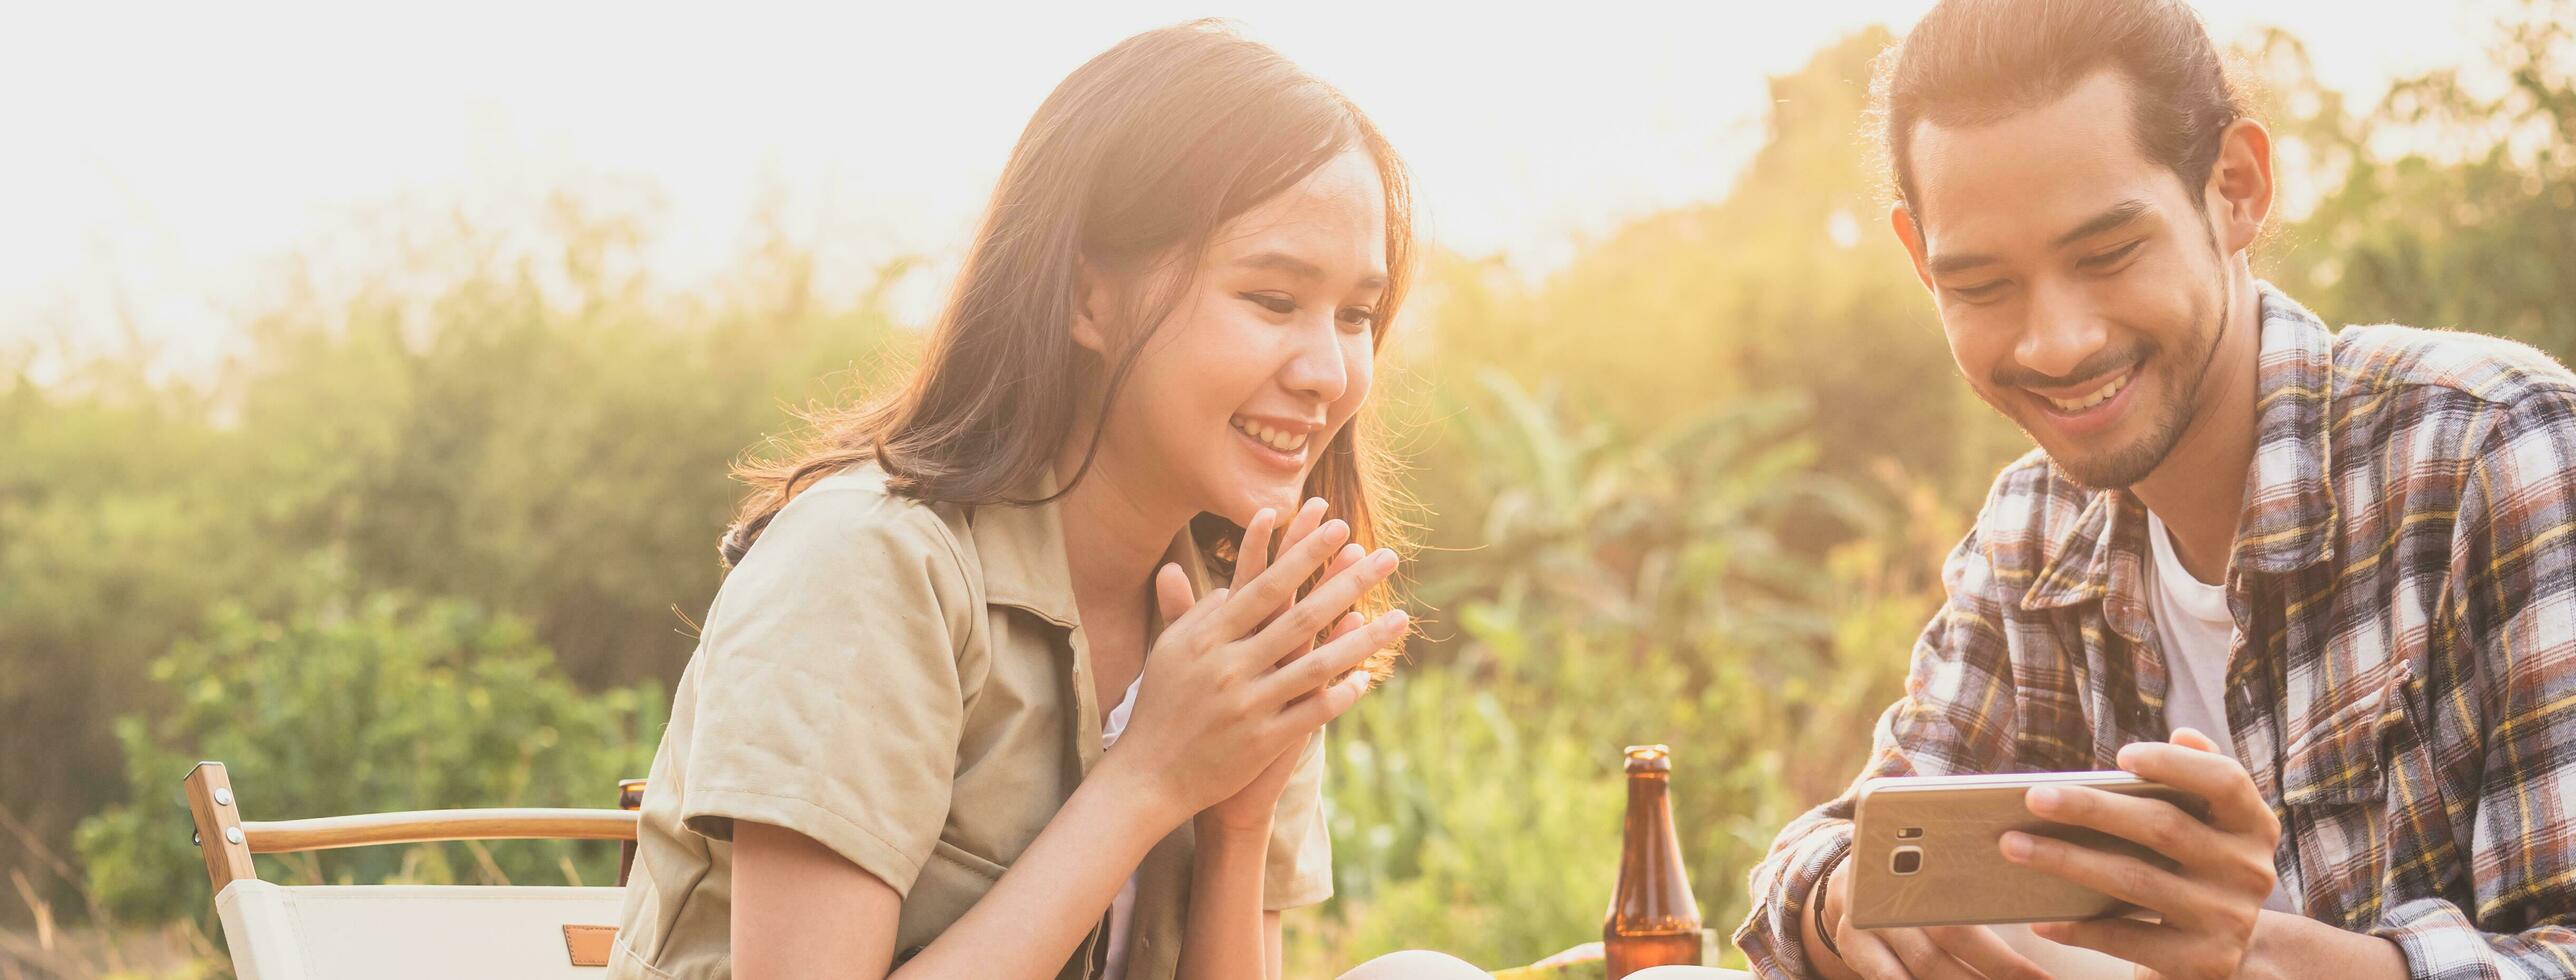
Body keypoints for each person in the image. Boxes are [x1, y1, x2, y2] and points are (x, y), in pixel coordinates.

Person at [608, 21, 1480, 979]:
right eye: (1273, 301)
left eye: (1356, 316)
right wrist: (1147, 780)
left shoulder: (1237, 615)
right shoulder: (867, 563)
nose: (1328, 371)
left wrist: (1237, 821)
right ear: (1087, 301)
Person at [1738, 0, 2576, 976]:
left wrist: (2255, 954)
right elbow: (1856, 837)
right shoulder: (2028, 530)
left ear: (2234, 186)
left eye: (2105, 254)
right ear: (1919, 264)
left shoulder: (2490, 448)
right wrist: (1845, 902)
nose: (2055, 341)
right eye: (1981, 286)